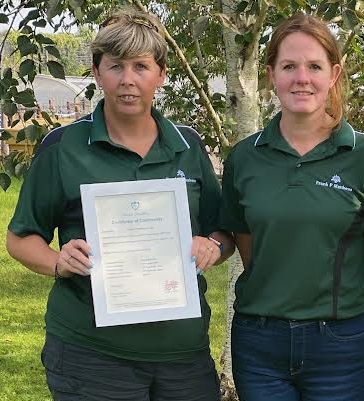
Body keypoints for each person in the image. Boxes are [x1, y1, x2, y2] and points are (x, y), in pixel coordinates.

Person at [6, 9, 233, 401]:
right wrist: (59, 262)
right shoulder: (63, 148)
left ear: (160, 75)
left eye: (141, 67)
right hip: (91, 354)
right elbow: (20, 238)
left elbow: (224, 231)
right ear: (97, 72)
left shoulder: (188, 146)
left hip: (183, 354)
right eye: (115, 66)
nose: (128, 80)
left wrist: (211, 245)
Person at [218, 12, 364, 401]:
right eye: (289, 66)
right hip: (259, 344)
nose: (302, 78)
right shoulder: (244, 159)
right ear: (271, 74)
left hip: (338, 347)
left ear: (333, 75)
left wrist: (344, 323)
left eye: (314, 66)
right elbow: (251, 249)